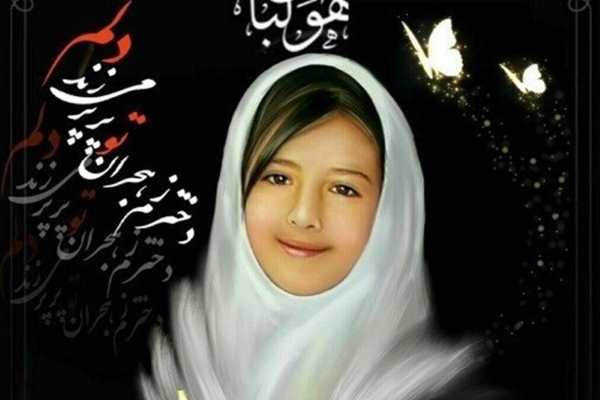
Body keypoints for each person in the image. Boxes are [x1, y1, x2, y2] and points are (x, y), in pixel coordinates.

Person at [138, 54, 500, 400]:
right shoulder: (178, 368)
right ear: (236, 189)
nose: (304, 214)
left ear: (393, 211)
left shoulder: (441, 391)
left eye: (343, 189)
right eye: (278, 178)